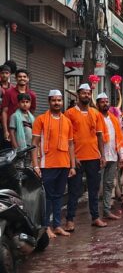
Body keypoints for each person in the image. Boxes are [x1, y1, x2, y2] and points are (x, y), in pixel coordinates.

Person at [31, 90, 76, 238]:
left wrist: (72, 166)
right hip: (47, 164)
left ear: (62, 102)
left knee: (58, 196)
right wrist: (36, 165)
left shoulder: (67, 121)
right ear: (49, 102)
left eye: (59, 100)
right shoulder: (41, 120)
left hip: (64, 164)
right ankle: (46, 226)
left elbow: (70, 145)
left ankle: (57, 225)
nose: (57, 103)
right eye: (54, 100)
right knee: (48, 197)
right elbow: (35, 144)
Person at [64, 83, 107, 231]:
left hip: (94, 157)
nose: (86, 96)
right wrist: (72, 158)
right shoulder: (69, 113)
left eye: (89, 93)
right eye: (84, 93)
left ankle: (95, 217)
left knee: (94, 190)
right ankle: (70, 220)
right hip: (77, 158)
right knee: (74, 191)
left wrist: (102, 155)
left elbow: (100, 135)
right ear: (78, 95)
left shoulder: (95, 113)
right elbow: (66, 137)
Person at [97, 93, 123, 220]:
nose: (105, 104)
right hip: (97, 157)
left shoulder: (114, 119)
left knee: (109, 184)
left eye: (107, 101)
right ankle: (94, 214)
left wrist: (122, 156)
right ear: (97, 104)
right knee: (96, 186)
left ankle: (107, 211)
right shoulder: (95, 118)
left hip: (113, 156)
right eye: (102, 102)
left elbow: (119, 138)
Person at [2, 69, 36, 144]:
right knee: (13, 153)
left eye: (24, 76)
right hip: (11, 129)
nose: (22, 78)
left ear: (28, 78)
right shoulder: (9, 92)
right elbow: (4, 112)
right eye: (20, 76)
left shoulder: (32, 95)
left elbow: (32, 112)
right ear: (16, 78)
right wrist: (5, 131)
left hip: (27, 130)